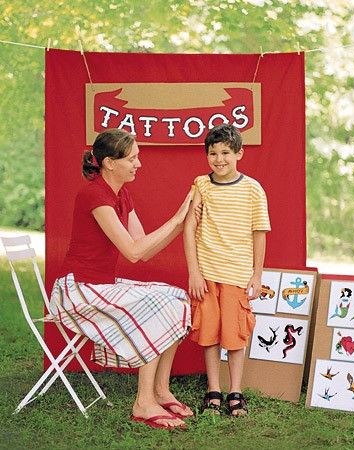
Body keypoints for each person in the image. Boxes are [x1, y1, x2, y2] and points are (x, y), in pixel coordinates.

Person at [49, 128, 194, 429]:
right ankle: (143, 403)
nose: (138, 164)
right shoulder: (94, 194)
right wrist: (177, 219)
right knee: (156, 303)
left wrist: (181, 224)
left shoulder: (121, 194)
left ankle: (161, 390)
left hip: (98, 285)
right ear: (109, 163)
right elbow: (131, 251)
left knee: (177, 297)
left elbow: (144, 248)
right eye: (132, 158)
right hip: (76, 291)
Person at [184, 123, 271, 416]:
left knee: (235, 335)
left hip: (237, 275)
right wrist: (194, 272)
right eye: (213, 153)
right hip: (207, 274)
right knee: (208, 334)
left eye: (225, 153)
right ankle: (213, 390)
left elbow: (260, 232)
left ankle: (236, 390)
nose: (219, 159)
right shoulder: (201, 185)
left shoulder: (253, 189)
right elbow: (189, 229)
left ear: (239, 154)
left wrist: (257, 275)